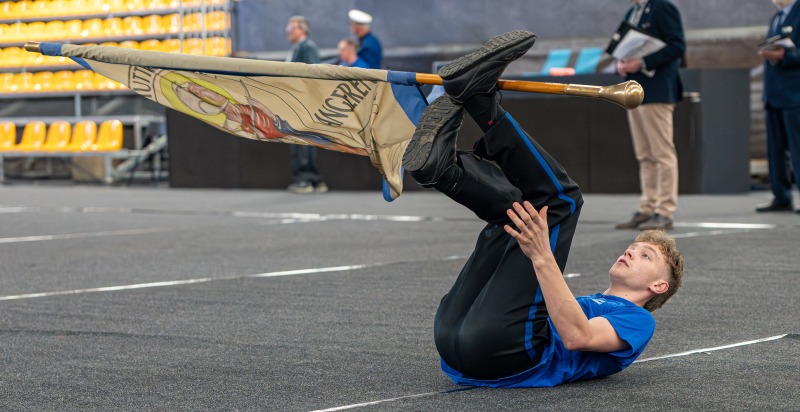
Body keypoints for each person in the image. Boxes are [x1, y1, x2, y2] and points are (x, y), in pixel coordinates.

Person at [402, 30, 685, 387]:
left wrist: (541, 256)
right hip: (453, 336)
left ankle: (482, 105)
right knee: (512, 217)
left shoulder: (639, 321)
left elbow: (578, 337)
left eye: (646, 256)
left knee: (561, 203)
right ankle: (444, 170)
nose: (631, 251)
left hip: (505, 352)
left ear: (659, 285)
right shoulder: (586, 300)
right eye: (636, 247)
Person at [614, 0, 686, 230]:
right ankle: (647, 207)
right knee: (644, 154)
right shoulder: (633, 11)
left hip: (657, 90)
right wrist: (622, 63)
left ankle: (664, 210)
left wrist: (643, 62)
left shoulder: (662, 7)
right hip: (634, 91)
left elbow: (677, 46)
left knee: (662, 153)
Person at [757, 0, 800, 214]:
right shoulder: (777, 17)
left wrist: (786, 55)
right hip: (774, 95)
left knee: (797, 148)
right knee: (776, 150)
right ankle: (781, 195)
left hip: (794, 95)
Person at [285, 15, 327, 193]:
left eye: (291, 28)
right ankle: (314, 180)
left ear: (302, 29)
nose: (288, 31)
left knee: (301, 141)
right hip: (299, 101)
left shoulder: (307, 47)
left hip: (303, 102)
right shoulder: (298, 48)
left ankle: (305, 180)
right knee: (303, 141)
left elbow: (313, 76)